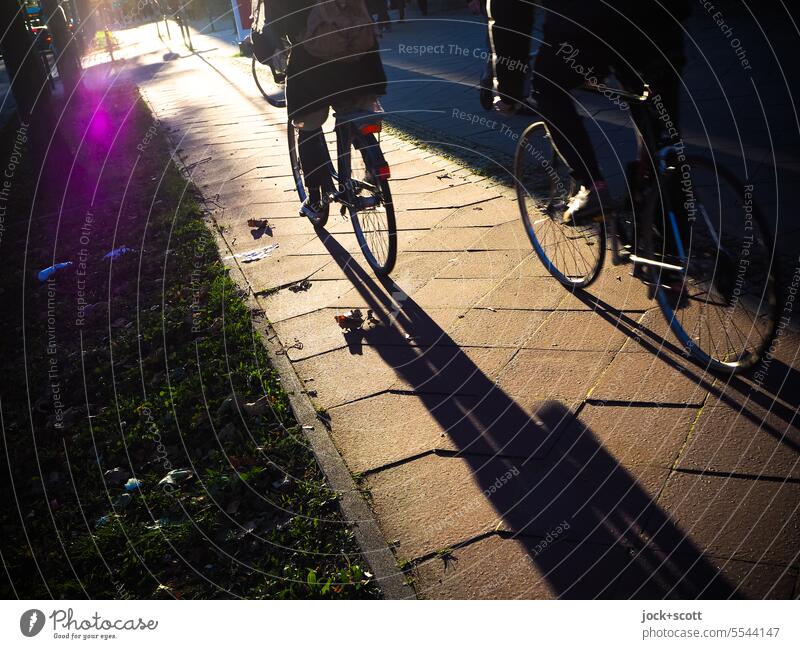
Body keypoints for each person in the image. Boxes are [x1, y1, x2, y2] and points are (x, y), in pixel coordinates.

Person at [489, 1, 691, 224]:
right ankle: (674, 235)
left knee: (547, 87)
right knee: (661, 124)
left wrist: (509, 91)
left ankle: (594, 186)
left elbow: (510, 14)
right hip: (660, 20)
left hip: (589, 28)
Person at [265, 1, 388, 220]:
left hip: (314, 62)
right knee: (356, 110)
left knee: (307, 122)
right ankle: (373, 165)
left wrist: (269, 45)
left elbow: (276, 25)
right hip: (362, 54)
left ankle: (315, 200)